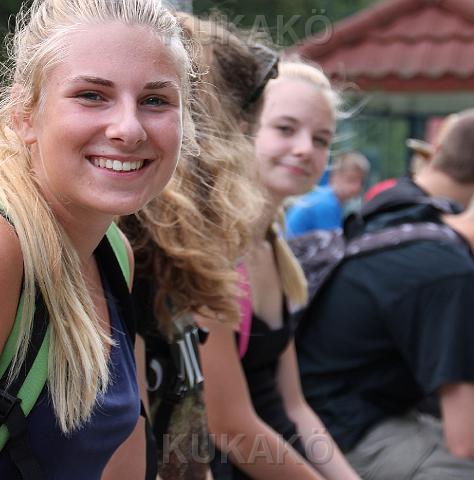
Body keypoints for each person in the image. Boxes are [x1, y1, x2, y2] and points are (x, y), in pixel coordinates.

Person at [0, 0, 194, 478]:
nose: (128, 129)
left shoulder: (114, 253)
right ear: (24, 115)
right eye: (92, 95)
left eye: (155, 101)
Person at [296, 145, 474, 479]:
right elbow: (468, 439)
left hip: (338, 403)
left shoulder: (430, 220)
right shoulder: (452, 274)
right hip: (338, 431)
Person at [116, 15, 275, 480]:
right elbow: (131, 451)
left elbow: (188, 441)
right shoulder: (128, 249)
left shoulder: (183, 256)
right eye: (252, 131)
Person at [199, 59, 359, 480]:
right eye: (286, 129)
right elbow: (229, 426)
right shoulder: (212, 251)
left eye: (321, 139)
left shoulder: (275, 251)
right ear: (242, 130)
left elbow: (295, 407)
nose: (306, 148)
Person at [285, 151, 369, 237]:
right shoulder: (326, 203)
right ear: (335, 177)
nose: (357, 187)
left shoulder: (327, 197)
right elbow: (333, 242)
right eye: (351, 179)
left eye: (361, 181)